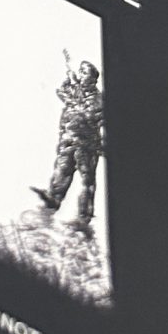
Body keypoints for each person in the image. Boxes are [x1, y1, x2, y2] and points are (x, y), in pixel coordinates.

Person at [33, 59, 103, 235]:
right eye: (79, 72)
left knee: (86, 181)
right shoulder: (76, 90)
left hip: (86, 145)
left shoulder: (97, 99)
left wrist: (73, 95)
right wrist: (67, 81)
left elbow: (86, 113)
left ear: (93, 78)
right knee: (62, 171)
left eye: (84, 73)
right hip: (67, 140)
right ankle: (53, 201)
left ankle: (83, 218)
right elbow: (61, 92)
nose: (80, 75)